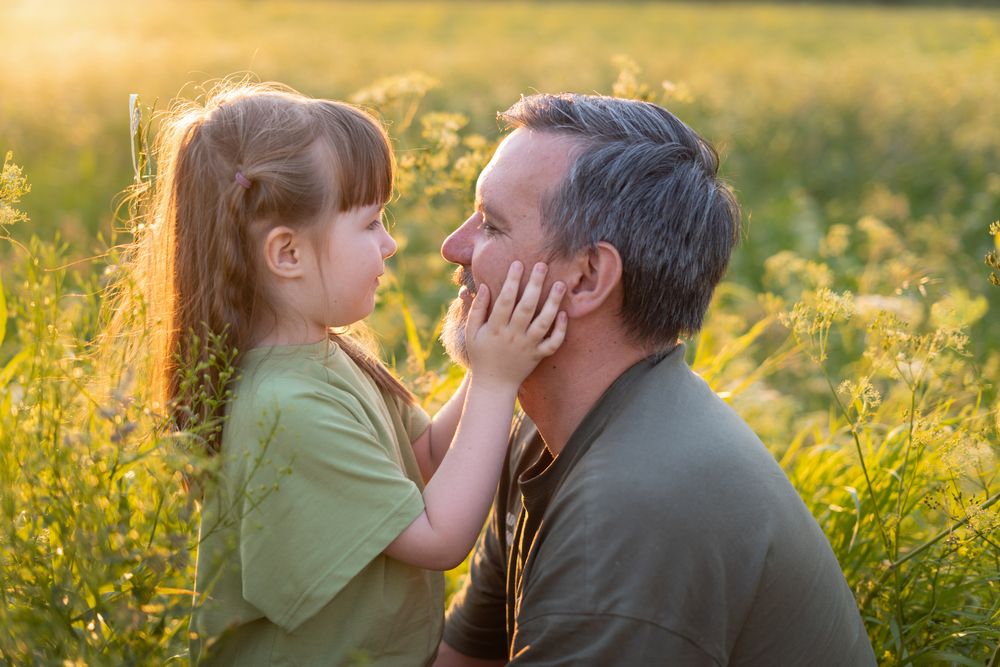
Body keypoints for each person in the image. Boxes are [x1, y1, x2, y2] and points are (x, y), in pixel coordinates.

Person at [111, 82, 568, 666]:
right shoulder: (288, 405)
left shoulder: (326, 356)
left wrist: (490, 368)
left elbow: (424, 459)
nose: (391, 243)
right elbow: (438, 537)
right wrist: (500, 382)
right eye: (371, 223)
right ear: (288, 255)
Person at [435, 93, 876, 666]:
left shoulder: (627, 511)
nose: (453, 248)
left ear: (588, 276)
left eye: (491, 226)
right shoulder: (535, 432)